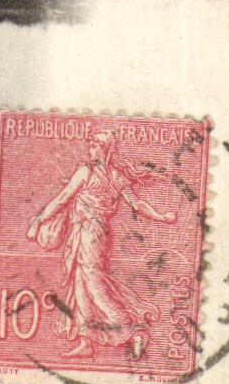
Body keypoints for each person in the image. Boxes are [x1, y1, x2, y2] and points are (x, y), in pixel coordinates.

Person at [26, 130, 177, 359]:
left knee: (94, 285)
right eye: (91, 144)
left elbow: (62, 199)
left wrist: (38, 222)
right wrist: (162, 216)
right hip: (92, 234)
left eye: (95, 145)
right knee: (81, 286)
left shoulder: (87, 173)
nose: (91, 149)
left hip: (90, 234)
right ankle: (87, 342)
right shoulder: (115, 176)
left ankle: (132, 329)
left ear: (106, 149)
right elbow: (138, 205)